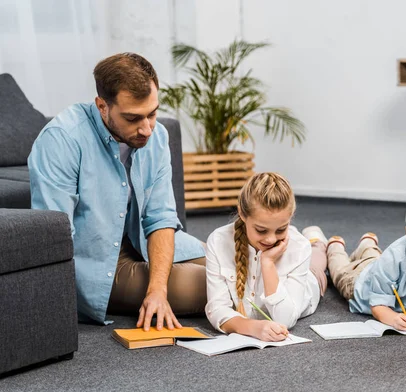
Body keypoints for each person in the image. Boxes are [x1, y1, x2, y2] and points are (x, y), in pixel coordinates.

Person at [28, 53, 206, 330]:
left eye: (153, 113)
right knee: (208, 285)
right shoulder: (62, 139)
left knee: (236, 261)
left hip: (140, 240)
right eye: (133, 118)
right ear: (102, 106)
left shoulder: (156, 137)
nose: (147, 129)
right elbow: (54, 237)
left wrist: (158, 290)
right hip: (98, 261)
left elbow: (160, 217)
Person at [304, 197, 406, 335]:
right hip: (357, 284)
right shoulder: (392, 259)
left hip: (378, 267)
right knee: (340, 270)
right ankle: (334, 246)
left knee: (374, 260)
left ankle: (367, 244)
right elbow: (378, 307)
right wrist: (393, 318)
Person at [204, 172, 326, 341]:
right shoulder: (218, 241)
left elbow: (285, 319)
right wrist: (253, 327)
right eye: (261, 230)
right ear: (242, 213)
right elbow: (216, 309)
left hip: (312, 281)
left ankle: (322, 242)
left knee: (319, 260)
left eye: (281, 229)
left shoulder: (299, 247)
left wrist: (267, 263)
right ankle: (316, 239)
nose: (270, 239)